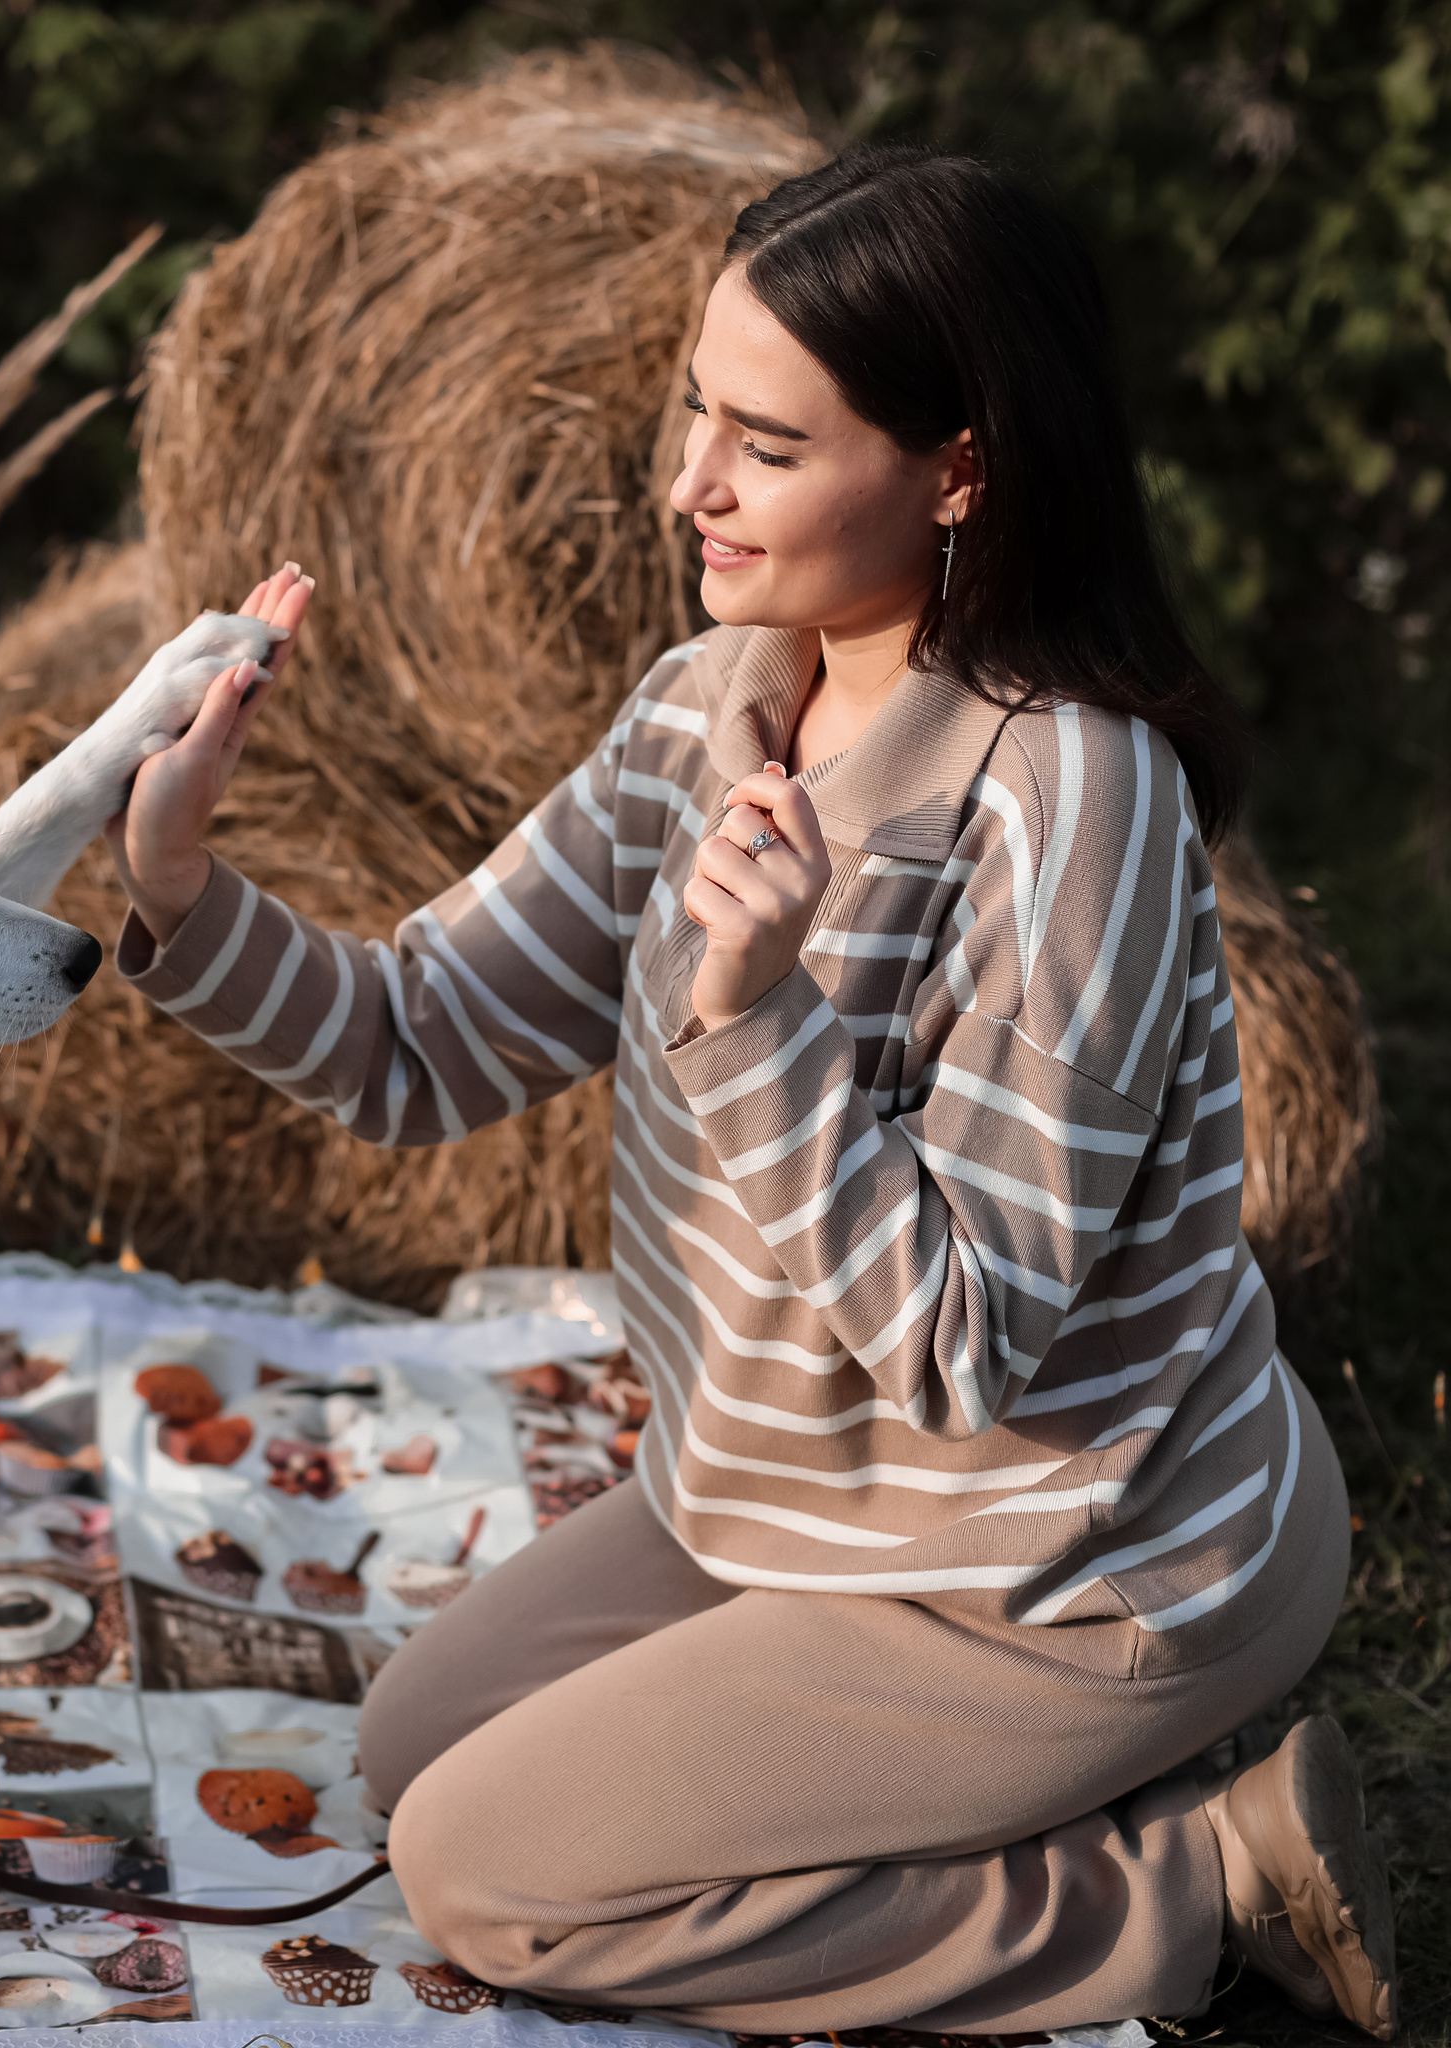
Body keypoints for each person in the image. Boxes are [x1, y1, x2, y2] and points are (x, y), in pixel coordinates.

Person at [97, 145, 1395, 2036]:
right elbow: (415, 1044)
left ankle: (1198, 1881)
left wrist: (755, 1013)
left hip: (1072, 1556)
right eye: (699, 410)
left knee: (490, 1877)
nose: (690, 481)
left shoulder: (1075, 806)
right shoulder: (708, 704)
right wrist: (181, 888)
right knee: (416, 1748)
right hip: (793, 1503)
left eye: (767, 445)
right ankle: (960, 1798)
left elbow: (965, 1350)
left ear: (961, 469)